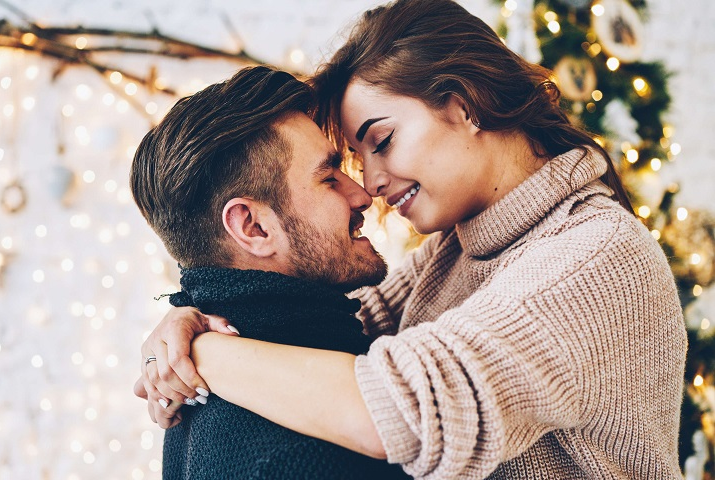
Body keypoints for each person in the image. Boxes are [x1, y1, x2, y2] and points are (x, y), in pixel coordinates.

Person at [136, 0, 687, 478]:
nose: (370, 183)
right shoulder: (456, 251)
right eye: (351, 161)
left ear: (464, 104)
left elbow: (404, 410)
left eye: (383, 140)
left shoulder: (594, 257)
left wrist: (205, 354)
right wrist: (190, 315)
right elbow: (328, 332)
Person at [130, 65, 409, 479]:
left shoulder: (217, 372)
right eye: (329, 178)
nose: (362, 194)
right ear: (254, 228)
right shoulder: (299, 458)